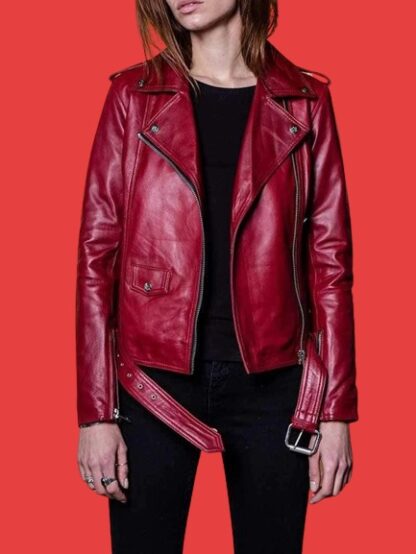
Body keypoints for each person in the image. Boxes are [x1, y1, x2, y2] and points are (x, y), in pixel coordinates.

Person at [75, 1, 359, 552]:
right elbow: (96, 256)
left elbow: (331, 263)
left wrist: (336, 410)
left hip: (274, 384)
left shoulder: (305, 101)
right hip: (151, 381)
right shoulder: (133, 96)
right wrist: (96, 413)